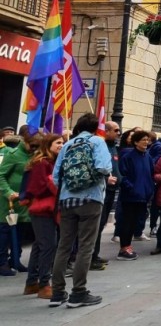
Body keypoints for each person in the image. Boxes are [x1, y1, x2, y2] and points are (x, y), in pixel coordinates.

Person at [49, 113, 115, 308]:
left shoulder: (68, 144)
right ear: (95, 128)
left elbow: (55, 176)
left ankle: (57, 292)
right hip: (91, 199)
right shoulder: (97, 141)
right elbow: (104, 166)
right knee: (86, 246)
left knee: (63, 246)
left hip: (67, 200)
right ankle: (78, 293)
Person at [22, 134, 62, 298]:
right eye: (58, 142)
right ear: (48, 144)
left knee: (40, 245)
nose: (61, 145)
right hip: (42, 208)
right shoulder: (42, 163)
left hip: (48, 209)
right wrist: (54, 183)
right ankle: (44, 284)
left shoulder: (51, 162)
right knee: (48, 245)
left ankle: (32, 283)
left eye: (62, 142)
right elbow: (37, 188)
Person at [0, 131, 35, 277]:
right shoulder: (12, 154)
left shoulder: (34, 155)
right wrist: (8, 192)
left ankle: (15, 259)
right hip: (9, 201)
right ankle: (1, 262)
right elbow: (1, 175)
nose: (34, 148)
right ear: (24, 141)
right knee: (5, 231)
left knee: (21, 230)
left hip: (24, 201)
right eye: (32, 145)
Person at [116, 131, 156, 261]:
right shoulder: (128, 156)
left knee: (135, 222)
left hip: (143, 196)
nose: (146, 142)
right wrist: (131, 188)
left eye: (147, 140)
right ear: (136, 142)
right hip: (130, 196)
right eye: (143, 140)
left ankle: (128, 245)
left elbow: (150, 174)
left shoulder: (147, 157)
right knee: (127, 222)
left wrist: (149, 189)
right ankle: (124, 247)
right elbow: (122, 175)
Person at [91, 121, 121, 270]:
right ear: (106, 131)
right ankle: (91, 256)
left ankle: (95, 254)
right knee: (96, 225)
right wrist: (105, 179)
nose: (118, 133)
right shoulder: (100, 146)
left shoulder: (114, 147)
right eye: (116, 130)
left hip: (111, 190)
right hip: (101, 191)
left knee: (101, 225)